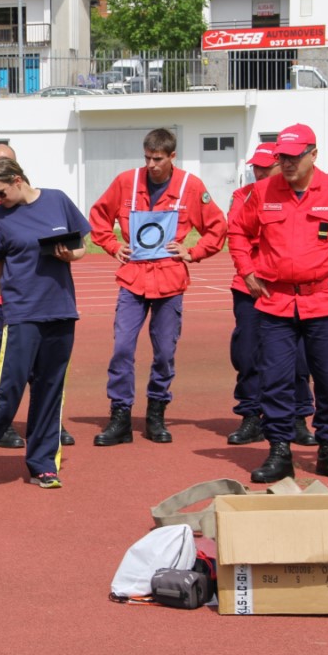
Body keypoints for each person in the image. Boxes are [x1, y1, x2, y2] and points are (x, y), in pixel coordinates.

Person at [228, 123, 328, 483]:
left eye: (295, 157)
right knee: (276, 380)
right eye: (282, 156)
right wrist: (247, 270)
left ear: (313, 154)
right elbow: (236, 229)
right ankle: (279, 452)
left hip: (322, 301)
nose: (287, 163)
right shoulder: (262, 190)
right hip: (275, 301)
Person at [0, 159, 90, 490]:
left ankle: (43, 463)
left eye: (0, 192)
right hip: (21, 315)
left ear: (17, 180)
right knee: (6, 393)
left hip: (60, 312)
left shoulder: (58, 200)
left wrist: (70, 256)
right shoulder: (0, 218)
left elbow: (82, 246)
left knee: (49, 392)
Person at [89, 128, 227, 446]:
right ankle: (120, 417)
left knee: (164, 353)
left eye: (158, 159)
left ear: (172, 157)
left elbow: (217, 227)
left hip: (169, 281)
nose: (152, 165)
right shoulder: (127, 181)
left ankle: (156, 415)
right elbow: (99, 215)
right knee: (122, 348)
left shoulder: (190, 186)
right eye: (148, 158)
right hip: (133, 279)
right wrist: (111, 245)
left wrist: (193, 252)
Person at [226, 142, 317, 447]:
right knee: (247, 353)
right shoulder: (244, 195)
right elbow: (242, 230)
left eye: (267, 166)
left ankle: (298, 416)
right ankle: (252, 415)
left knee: (297, 356)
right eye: (256, 166)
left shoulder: (299, 196)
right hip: (251, 285)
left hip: (287, 289)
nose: (260, 171)